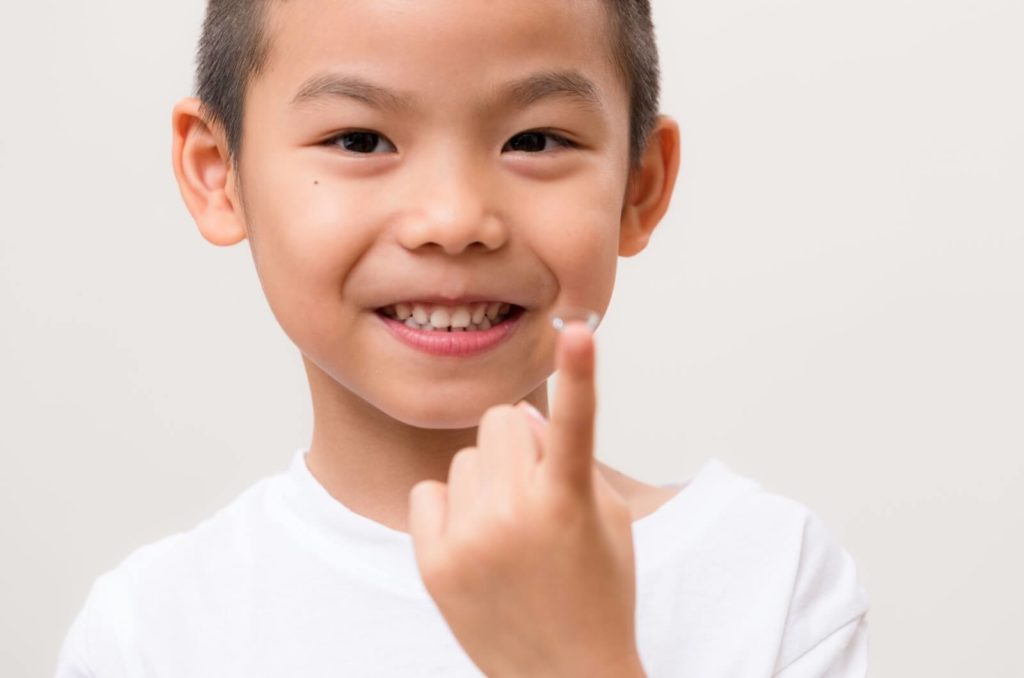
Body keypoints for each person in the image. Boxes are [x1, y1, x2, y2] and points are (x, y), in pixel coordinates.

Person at [55, 0, 869, 675]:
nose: (452, 221)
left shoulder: (767, 579)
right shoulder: (149, 634)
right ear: (215, 171)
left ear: (640, 184)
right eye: (360, 141)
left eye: (536, 140)